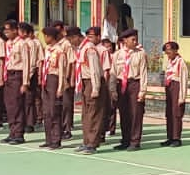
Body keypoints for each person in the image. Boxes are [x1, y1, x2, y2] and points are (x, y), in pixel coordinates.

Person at [75, 26, 111, 155]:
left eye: (92, 36)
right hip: (85, 81)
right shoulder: (82, 48)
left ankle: (92, 143)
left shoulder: (92, 49)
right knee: (86, 114)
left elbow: (97, 70)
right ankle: (86, 141)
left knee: (94, 113)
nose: (89, 38)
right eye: (88, 36)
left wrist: (97, 87)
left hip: (93, 81)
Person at [113, 29, 148, 151]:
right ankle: (125, 139)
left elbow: (143, 73)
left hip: (134, 84)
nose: (135, 41)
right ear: (125, 40)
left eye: (135, 39)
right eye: (132, 39)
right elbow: (113, 73)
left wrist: (143, 90)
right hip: (121, 84)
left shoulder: (140, 53)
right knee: (124, 113)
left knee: (136, 113)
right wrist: (113, 90)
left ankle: (135, 141)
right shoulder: (117, 54)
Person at [0, 22, 32, 145]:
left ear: (15, 30)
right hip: (9, 75)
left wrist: (25, 82)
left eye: (8, 30)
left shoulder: (22, 44)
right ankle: (12, 132)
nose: (5, 32)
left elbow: (26, 63)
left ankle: (19, 134)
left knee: (17, 105)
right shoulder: (8, 44)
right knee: (10, 106)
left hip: (18, 75)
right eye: (4, 30)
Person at [40, 26, 71, 149]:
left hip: (55, 79)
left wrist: (60, 87)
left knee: (54, 111)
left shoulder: (59, 51)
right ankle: (48, 138)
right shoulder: (47, 49)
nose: (45, 39)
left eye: (46, 36)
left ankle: (56, 139)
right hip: (46, 79)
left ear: (50, 37)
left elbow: (62, 71)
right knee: (46, 112)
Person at [161, 41, 189, 147]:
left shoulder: (180, 62)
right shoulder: (169, 62)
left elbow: (183, 79)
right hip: (169, 88)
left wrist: (182, 96)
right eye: (166, 51)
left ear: (175, 50)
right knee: (169, 113)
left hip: (177, 87)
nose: (168, 53)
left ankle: (176, 138)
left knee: (176, 113)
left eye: (169, 51)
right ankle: (170, 137)